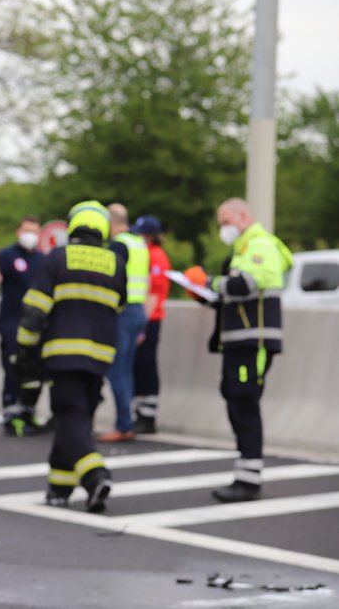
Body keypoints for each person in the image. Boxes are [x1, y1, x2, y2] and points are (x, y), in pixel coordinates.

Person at [15, 200, 126, 513]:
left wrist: (25, 349)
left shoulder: (57, 258)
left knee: (68, 417)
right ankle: (60, 488)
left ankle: (95, 476)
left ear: (73, 225)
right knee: (76, 418)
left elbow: (34, 311)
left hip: (63, 355)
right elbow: (119, 306)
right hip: (100, 357)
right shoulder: (116, 262)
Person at [184, 197, 292, 503]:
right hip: (237, 341)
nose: (223, 228)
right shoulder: (242, 249)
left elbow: (246, 284)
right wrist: (201, 292)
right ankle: (246, 472)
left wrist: (207, 280)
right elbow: (229, 296)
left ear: (242, 216)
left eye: (225, 222)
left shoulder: (260, 245)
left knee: (244, 403)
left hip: (253, 341)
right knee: (235, 399)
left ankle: (249, 480)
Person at [0, 216, 47, 436]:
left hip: (36, 324)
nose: (31, 235)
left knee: (35, 370)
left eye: (35, 231)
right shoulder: (8, 256)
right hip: (12, 322)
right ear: (19, 231)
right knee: (13, 366)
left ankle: (28, 410)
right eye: (27, 230)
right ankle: (11, 412)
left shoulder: (42, 259)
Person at [98, 203, 149, 442]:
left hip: (122, 311)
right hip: (138, 309)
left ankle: (123, 424)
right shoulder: (139, 243)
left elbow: (110, 278)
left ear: (111, 222)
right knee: (126, 370)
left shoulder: (119, 245)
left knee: (116, 370)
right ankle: (126, 422)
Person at [131, 215, 172, 434]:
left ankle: (148, 415)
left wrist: (141, 325)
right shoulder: (146, 254)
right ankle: (140, 411)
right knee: (138, 366)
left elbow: (154, 293)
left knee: (146, 366)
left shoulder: (156, 257)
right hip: (145, 317)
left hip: (151, 318)